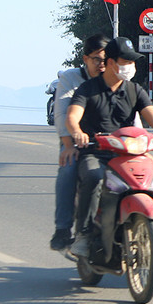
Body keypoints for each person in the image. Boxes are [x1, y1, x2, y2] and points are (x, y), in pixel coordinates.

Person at [67, 36, 153, 257]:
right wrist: (77, 133)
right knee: (93, 176)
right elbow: (73, 117)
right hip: (96, 152)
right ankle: (84, 235)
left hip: (129, 153)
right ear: (110, 63)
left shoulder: (134, 90)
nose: (130, 67)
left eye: (132, 62)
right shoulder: (87, 89)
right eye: (125, 61)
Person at [49, 33, 110, 251]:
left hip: (112, 142)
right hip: (76, 141)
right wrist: (67, 144)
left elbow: (132, 112)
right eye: (97, 59)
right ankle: (63, 228)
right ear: (85, 59)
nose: (102, 65)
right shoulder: (70, 78)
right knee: (69, 167)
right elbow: (62, 113)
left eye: (107, 60)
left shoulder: (116, 77)